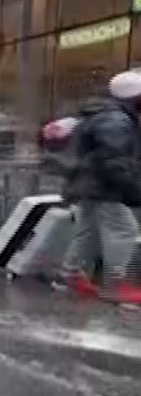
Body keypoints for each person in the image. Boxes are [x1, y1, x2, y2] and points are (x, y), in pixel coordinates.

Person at [59, 70, 141, 303]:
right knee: (124, 231)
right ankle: (115, 284)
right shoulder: (116, 120)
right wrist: (132, 190)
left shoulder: (103, 115)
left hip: (87, 184)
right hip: (103, 185)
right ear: (134, 95)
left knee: (88, 232)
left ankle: (71, 276)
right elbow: (113, 160)